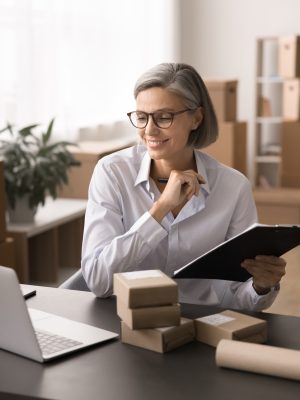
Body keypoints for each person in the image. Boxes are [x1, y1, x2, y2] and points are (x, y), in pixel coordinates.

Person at [81, 62, 286, 310]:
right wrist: (160, 209)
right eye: (142, 117)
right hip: (128, 320)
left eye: (164, 117)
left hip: (202, 325)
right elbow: (98, 280)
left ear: (196, 118)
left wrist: (261, 286)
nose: (149, 130)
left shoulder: (233, 187)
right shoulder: (112, 173)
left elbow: (237, 296)